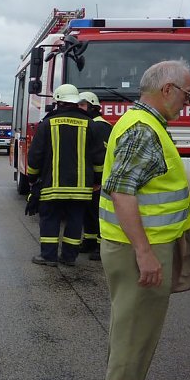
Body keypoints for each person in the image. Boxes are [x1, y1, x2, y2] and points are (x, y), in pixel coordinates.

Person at [98, 60, 190, 380]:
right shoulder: (143, 130)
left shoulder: (144, 123)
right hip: (137, 248)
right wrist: (144, 253)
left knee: (140, 330)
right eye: (187, 95)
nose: (187, 103)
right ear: (168, 89)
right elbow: (122, 191)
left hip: (141, 243)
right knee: (133, 330)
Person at [27, 83, 105, 267]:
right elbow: (99, 158)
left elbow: (35, 156)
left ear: (58, 102)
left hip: (52, 185)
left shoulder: (47, 124)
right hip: (81, 188)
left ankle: (48, 256)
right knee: (75, 221)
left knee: (50, 219)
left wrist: (32, 178)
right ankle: (69, 257)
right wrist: (97, 180)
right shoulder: (90, 124)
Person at [78, 91, 113, 261]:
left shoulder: (99, 126)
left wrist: (97, 180)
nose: (79, 108)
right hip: (93, 177)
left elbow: (100, 155)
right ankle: (90, 240)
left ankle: (100, 245)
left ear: (93, 107)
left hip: (100, 180)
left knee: (98, 213)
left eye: (83, 105)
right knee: (89, 212)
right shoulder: (95, 124)